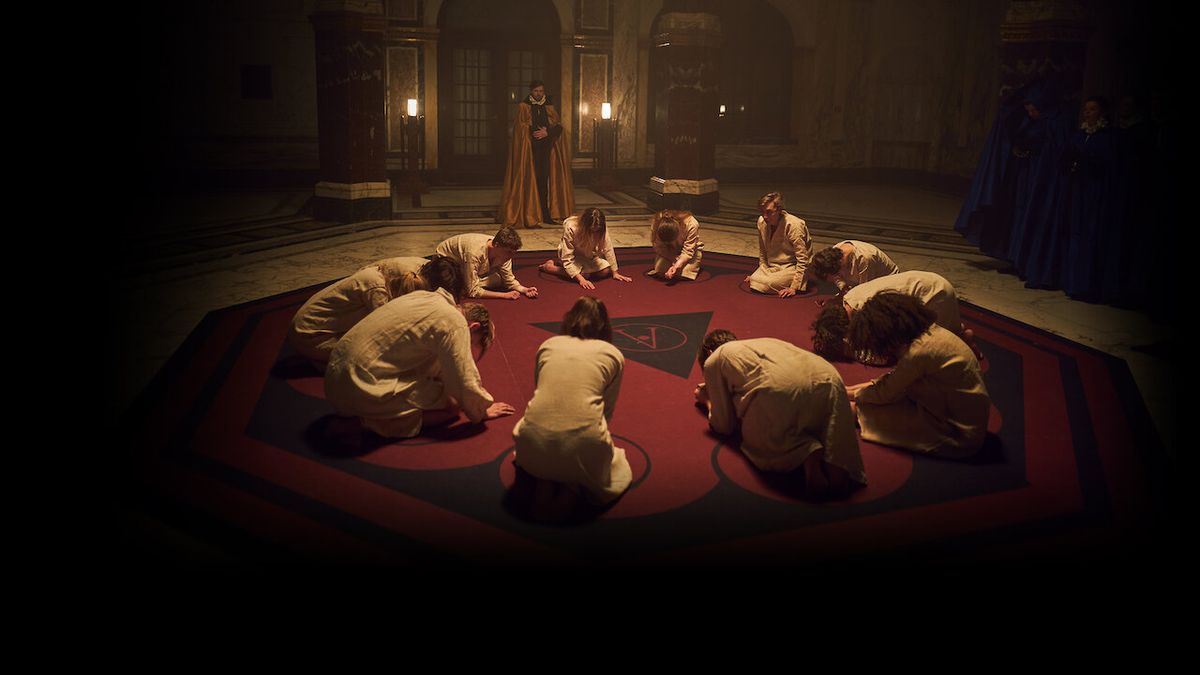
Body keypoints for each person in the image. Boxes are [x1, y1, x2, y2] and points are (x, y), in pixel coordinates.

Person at [694, 329, 866, 500]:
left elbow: (723, 425)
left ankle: (805, 450)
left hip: (783, 388)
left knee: (754, 425)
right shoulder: (763, 341)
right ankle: (838, 469)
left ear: (709, 353)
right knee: (826, 418)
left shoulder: (715, 358)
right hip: (829, 376)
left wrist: (707, 399)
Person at [512, 297, 630, 522]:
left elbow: (541, 392)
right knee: (612, 460)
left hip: (532, 441)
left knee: (543, 439)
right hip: (583, 444)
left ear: (570, 319)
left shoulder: (548, 345)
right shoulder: (613, 354)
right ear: (604, 326)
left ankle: (544, 476)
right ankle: (572, 486)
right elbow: (606, 412)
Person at [844, 293, 990, 458]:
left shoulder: (918, 352)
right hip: (950, 409)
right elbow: (893, 380)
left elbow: (884, 393)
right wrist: (848, 390)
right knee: (881, 398)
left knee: (855, 410)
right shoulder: (930, 332)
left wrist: (844, 394)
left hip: (958, 431)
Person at [287, 255, 457, 366]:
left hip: (311, 328)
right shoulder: (376, 289)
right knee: (382, 359)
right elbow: (387, 334)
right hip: (310, 335)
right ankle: (320, 359)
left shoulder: (401, 274)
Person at [811, 270, 976, 363]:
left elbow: (882, 356)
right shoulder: (850, 298)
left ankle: (959, 336)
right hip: (930, 279)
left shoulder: (868, 315)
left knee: (917, 356)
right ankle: (955, 329)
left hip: (936, 295)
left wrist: (848, 351)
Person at [500, 80, 575, 228]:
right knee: (530, 181)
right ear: (531, 91)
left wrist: (547, 132)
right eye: (536, 91)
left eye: (541, 91)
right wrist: (531, 130)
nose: (539, 94)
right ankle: (530, 214)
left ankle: (546, 214)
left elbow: (559, 127)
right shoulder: (524, 106)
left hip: (547, 150)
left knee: (544, 180)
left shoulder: (549, 106)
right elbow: (519, 128)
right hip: (530, 151)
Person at [538, 207, 633, 289]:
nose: (594, 233)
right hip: (572, 255)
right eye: (591, 230)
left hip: (588, 255)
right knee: (584, 275)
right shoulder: (571, 227)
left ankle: (567, 267)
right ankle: (550, 267)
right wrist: (581, 279)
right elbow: (567, 257)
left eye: (596, 230)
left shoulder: (600, 227)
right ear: (584, 225)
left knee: (605, 271)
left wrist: (615, 273)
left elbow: (608, 248)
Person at [435, 227, 538, 300]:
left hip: (467, 266)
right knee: (461, 286)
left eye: (513, 252)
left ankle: (468, 282)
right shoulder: (474, 252)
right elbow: (472, 292)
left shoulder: (505, 253)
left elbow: (509, 280)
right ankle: (464, 284)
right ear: (496, 245)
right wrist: (504, 295)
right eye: (508, 252)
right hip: (446, 262)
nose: (511, 256)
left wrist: (524, 290)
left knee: (498, 279)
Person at [745, 192, 812, 297]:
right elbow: (763, 251)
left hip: (792, 266)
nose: (765, 216)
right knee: (755, 279)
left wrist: (794, 287)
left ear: (779, 210)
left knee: (766, 284)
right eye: (762, 212)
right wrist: (762, 268)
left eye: (769, 212)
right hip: (773, 266)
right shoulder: (761, 221)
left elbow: (803, 259)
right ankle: (764, 279)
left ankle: (769, 280)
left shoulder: (794, 225)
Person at [809, 240, 899, 293]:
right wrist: (843, 288)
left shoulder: (864, 258)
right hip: (859, 283)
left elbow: (865, 291)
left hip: (886, 283)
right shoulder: (834, 253)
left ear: (839, 268)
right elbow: (837, 278)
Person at [645, 209, 703, 281]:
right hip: (668, 251)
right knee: (661, 272)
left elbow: (688, 251)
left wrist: (676, 266)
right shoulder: (657, 222)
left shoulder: (691, 224)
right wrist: (674, 261)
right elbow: (658, 246)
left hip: (691, 252)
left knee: (683, 275)